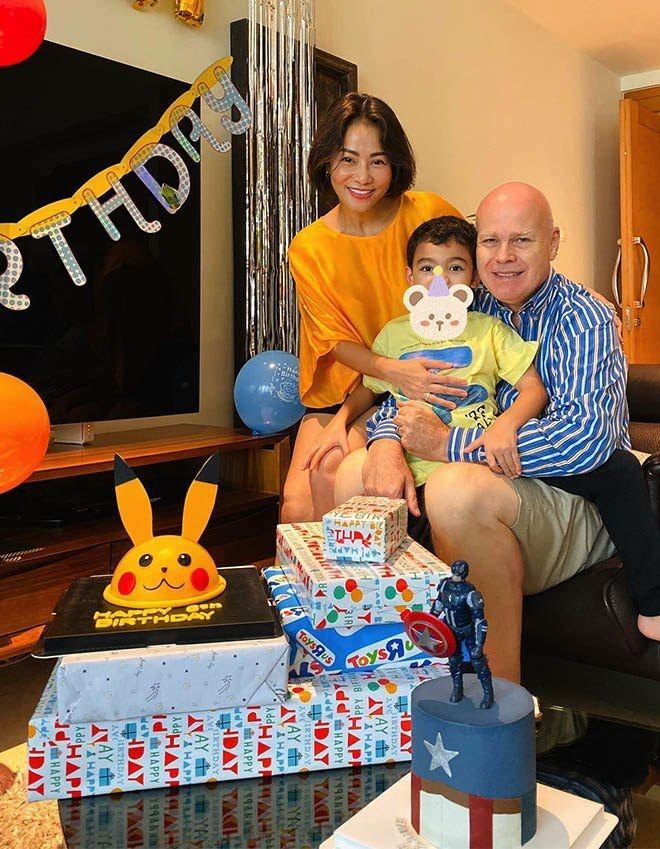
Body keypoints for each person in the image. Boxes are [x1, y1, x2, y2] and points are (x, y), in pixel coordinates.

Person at [359, 182, 660, 683]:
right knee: (356, 469)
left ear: (553, 243)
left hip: (579, 488)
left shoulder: (585, 317)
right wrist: (387, 440)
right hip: (503, 481)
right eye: (490, 241)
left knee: (455, 488)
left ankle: (496, 700)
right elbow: (411, 391)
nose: (503, 257)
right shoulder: (467, 309)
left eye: (521, 240)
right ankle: (376, 679)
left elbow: (586, 442)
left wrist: (449, 445)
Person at [282, 92, 465, 522]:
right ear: (327, 161)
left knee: (333, 471)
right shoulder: (308, 247)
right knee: (296, 504)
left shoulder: (427, 211)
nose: (362, 177)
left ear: (395, 164)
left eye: (378, 161)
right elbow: (334, 341)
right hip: (348, 389)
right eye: (348, 159)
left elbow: (480, 271)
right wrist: (391, 371)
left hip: (421, 380)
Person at [334, 215, 547, 506]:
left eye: (455, 268)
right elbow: (371, 389)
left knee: (451, 496)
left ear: (474, 277)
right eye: (427, 268)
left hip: (464, 456)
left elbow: (533, 389)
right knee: (349, 474)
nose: (441, 280)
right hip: (403, 456)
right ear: (410, 276)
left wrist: (506, 426)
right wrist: (340, 422)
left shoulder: (489, 330)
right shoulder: (393, 334)